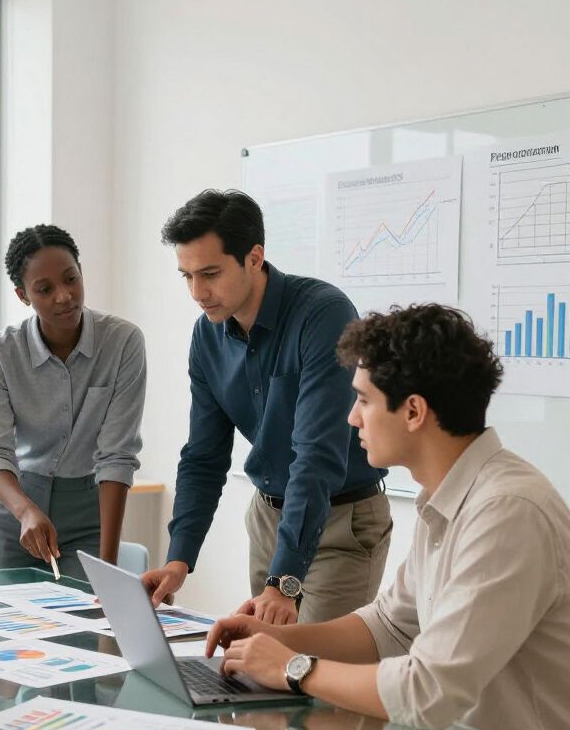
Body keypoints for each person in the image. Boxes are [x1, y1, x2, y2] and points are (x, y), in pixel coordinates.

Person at [205, 303, 570, 730]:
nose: (352, 418)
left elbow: (427, 693)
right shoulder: (446, 500)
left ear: (415, 411)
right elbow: (389, 625)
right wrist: (273, 643)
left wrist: (294, 670)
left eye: (364, 400)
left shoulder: (508, 513)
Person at [0, 223, 146, 730]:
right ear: (23, 293)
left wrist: (105, 577)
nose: (64, 295)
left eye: (70, 278)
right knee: (17, 678)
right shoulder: (1, 354)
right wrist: (23, 512)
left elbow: (118, 456)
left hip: (89, 506)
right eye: (45, 287)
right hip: (15, 512)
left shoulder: (124, 342)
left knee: (90, 680)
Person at [143, 190, 392, 625]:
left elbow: (315, 456)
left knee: (317, 676)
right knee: (264, 673)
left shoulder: (323, 315)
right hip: (267, 520)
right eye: (186, 276)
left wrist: (285, 582)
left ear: (254, 258)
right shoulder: (207, 336)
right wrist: (178, 559)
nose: (198, 293)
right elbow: (203, 456)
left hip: (342, 522)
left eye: (210, 274)